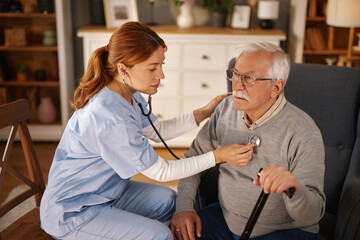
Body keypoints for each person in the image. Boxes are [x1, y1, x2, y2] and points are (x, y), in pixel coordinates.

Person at [39, 22, 253, 240]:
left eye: (161, 65)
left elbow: (156, 130)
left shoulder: (126, 92)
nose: (161, 75)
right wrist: (218, 156)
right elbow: (161, 172)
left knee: (170, 201)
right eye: (152, 68)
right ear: (123, 69)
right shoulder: (109, 117)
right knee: (159, 236)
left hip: (108, 193)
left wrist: (203, 112)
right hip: (74, 212)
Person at [171, 42, 326, 240]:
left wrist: (293, 189)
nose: (236, 84)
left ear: (276, 87)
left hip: (284, 231)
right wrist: (183, 207)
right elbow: (193, 160)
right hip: (224, 219)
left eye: (249, 78)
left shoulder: (304, 131)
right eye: (235, 74)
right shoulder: (225, 109)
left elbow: (312, 213)